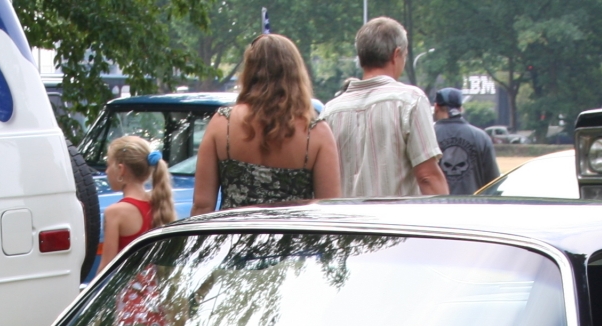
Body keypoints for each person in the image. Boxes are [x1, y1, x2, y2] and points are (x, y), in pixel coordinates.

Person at [191, 34, 341, 214]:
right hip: (290, 241)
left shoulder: (223, 123)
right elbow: (329, 211)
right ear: (296, 73)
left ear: (250, 72)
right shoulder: (316, 133)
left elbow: (202, 205)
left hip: (233, 239)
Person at [321, 17, 447, 198]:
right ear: (396, 55)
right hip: (394, 224)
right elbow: (428, 176)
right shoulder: (410, 101)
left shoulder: (330, 111)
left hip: (346, 223)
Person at [99, 136, 175, 269]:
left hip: (127, 289)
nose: (106, 171)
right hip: (153, 288)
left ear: (121, 169)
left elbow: (106, 268)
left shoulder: (115, 213)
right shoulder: (159, 203)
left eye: (108, 165)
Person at [432, 86, 498, 196]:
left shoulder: (427, 136)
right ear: (461, 108)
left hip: (435, 208)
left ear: (436, 107)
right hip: (473, 208)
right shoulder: (481, 137)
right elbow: (493, 183)